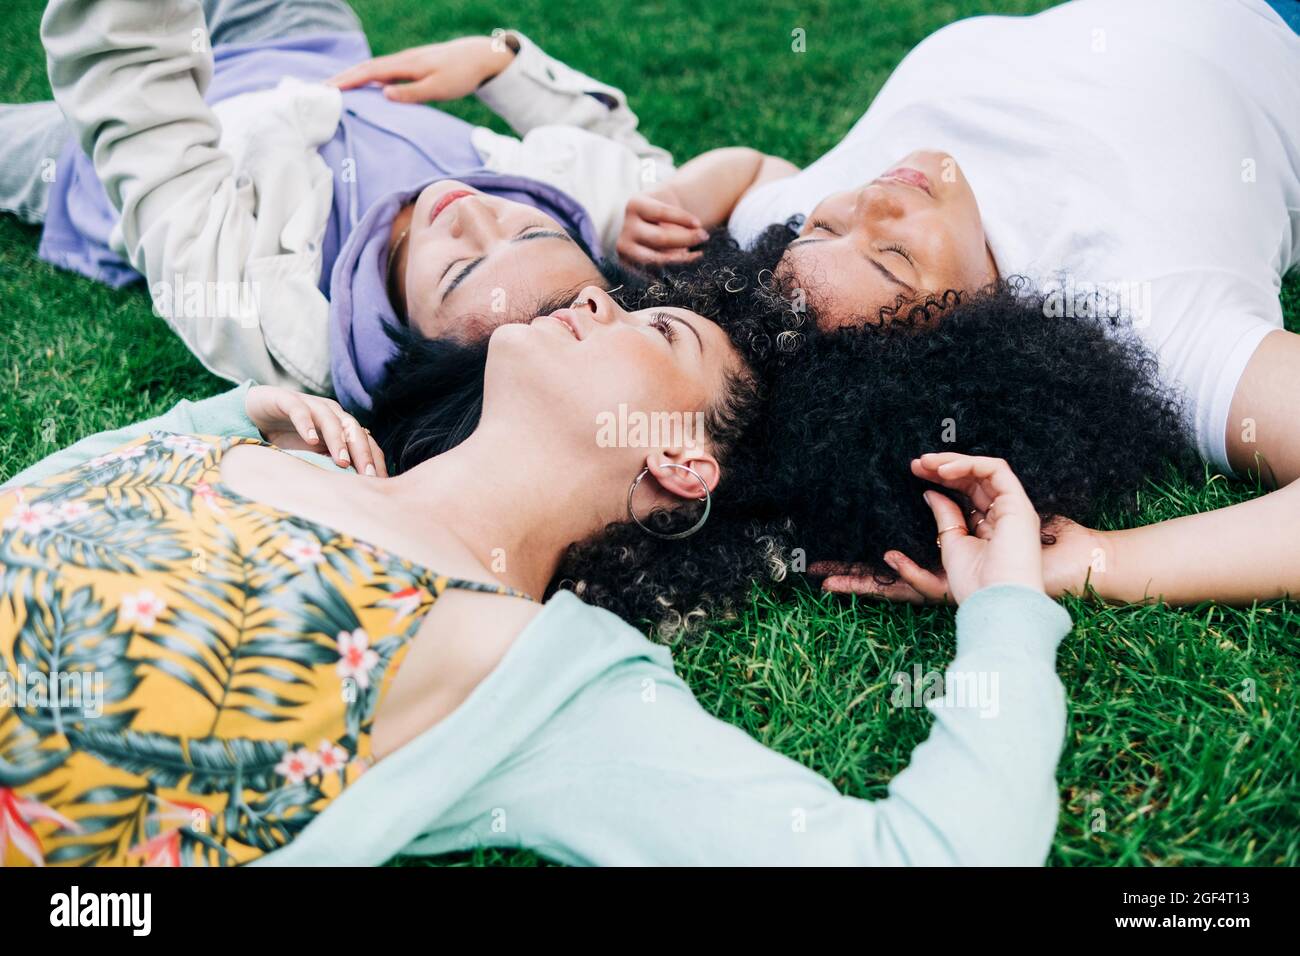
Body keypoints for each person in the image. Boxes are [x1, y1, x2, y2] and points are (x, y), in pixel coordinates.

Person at [0, 282, 1073, 867]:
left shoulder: (539, 680)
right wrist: (230, 413)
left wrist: (1007, 616)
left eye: (656, 326)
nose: (595, 300)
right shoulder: (251, 446)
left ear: (680, 459)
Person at [616, 0, 1300, 606]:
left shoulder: (821, 258)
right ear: (971, 349)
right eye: (893, 258)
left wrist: (680, 201)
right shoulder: (1145, 305)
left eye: (820, 228)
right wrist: (1102, 559)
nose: (874, 200)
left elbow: (760, 175)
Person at [8, 0, 683, 411]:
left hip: (92, 154)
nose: (472, 211)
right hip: (308, 42)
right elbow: (640, 163)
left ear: (410, 340)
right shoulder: (590, 223)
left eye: (459, 269)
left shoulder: (269, 316)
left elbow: (136, 101)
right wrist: (495, 62)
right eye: (533, 231)